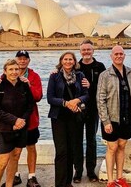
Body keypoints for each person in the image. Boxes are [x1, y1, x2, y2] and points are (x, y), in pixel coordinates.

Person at [0, 51, 43, 187]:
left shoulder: (33, 76)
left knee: (30, 146)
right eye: (19, 59)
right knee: (13, 152)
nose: (22, 61)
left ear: (28, 61)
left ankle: (31, 176)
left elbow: (38, 97)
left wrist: (29, 86)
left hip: (30, 119)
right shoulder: (4, 77)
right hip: (11, 122)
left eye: (25, 59)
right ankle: (15, 175)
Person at [47, 51, 89, 187]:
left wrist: (76, 100)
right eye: (65, 59)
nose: (68, 62)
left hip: (75, 117)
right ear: (61, 61)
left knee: (72, 150)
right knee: (61, 151)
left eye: (71, 59)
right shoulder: (54, 76)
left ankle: (68, 182)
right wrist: (66, 103)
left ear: (75, 61)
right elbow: (50, 98)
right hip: (59, 117)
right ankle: (60, 184)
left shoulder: (80, 75)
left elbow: (86, 95)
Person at [97, 45, 131, 187]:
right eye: (116, 54)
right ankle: (110, 180)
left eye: (121, 54)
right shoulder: (105, 75)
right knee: (112, 147)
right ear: (111, 56)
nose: (119, 56)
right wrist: (105, 121)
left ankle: (120, 178)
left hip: (127, 117)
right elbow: (100, 99)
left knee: (122, 146)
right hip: (111, 118)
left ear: (124, 55)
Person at [72, 39, 106, 183]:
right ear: (80, 51)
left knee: (91, 140)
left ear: (93, 51)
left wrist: (92, 85)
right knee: (77, 141)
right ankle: (78, 171)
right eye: (83, 50)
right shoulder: (75, 67)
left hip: (93, 109)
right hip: (78, 109)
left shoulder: (100, 66)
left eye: (88, 49)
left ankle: (91, 171)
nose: (86, 52)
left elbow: (105, 86)